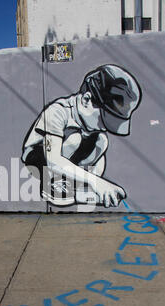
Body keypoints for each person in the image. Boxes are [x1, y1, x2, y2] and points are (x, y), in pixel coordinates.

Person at [21, 64, 142, 208]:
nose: (104, 126)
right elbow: (52, 159)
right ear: (86, 100)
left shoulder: (95, 131)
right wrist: (96, 182)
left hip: (69, 162)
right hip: (39, 158)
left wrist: (99, 183)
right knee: (74, 139)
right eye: (102, 119)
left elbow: (98, 155)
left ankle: (76, 188)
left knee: (101, 140)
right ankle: (54, 186)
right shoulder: (58, 111)